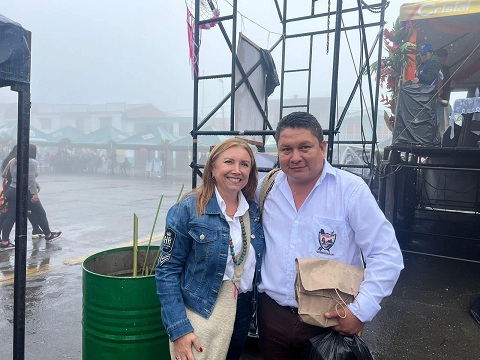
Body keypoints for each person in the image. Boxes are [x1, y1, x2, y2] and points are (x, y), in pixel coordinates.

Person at [256, 112, 404, 360]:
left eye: (305, 147)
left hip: (329, 321)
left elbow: (385, 254)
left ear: (322, 147)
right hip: (272, 316)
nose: (295, 157)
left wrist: (361, 310)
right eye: (286, 149)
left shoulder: (350, 191)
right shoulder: (268, 187)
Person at [155, 138, 265, 360]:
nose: (237, 170)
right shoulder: (189, 209)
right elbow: (166, 271)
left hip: (241, 309)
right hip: (200, 309)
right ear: (213, 168)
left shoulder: (252, 210)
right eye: (229, 162)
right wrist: (179, 329)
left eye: (245, 164)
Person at [1, 144, 61, 246]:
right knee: (40, 212)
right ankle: (48, 234)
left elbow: (4, 174)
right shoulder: (32, 162)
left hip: (11, 190)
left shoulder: (13, 161)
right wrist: (35, 194)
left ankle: (5, 241)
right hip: (25, 192)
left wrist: (16, 179)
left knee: (11, 216)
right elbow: (31, 179)